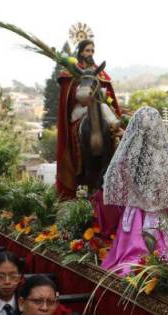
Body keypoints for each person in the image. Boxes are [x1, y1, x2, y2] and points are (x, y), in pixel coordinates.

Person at [100, 107, 168, 275]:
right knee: (163, 256)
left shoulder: (126, 158)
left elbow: (118, 179)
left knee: (130, 256)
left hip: (134, 218)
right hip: (158, 218)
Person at [56, 38, 124, 197]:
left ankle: (115, 155)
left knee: (108, 120)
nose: (90, 53)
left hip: (97, 107)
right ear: (80, 52)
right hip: (79, 110)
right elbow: (69, 94)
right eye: (87, 50)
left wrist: (102, 95)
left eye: (92, 51)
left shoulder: (99, 72)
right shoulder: (72, 70)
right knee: (77, 129)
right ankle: (80, 168)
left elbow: (108, 94)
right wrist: (80, 94)